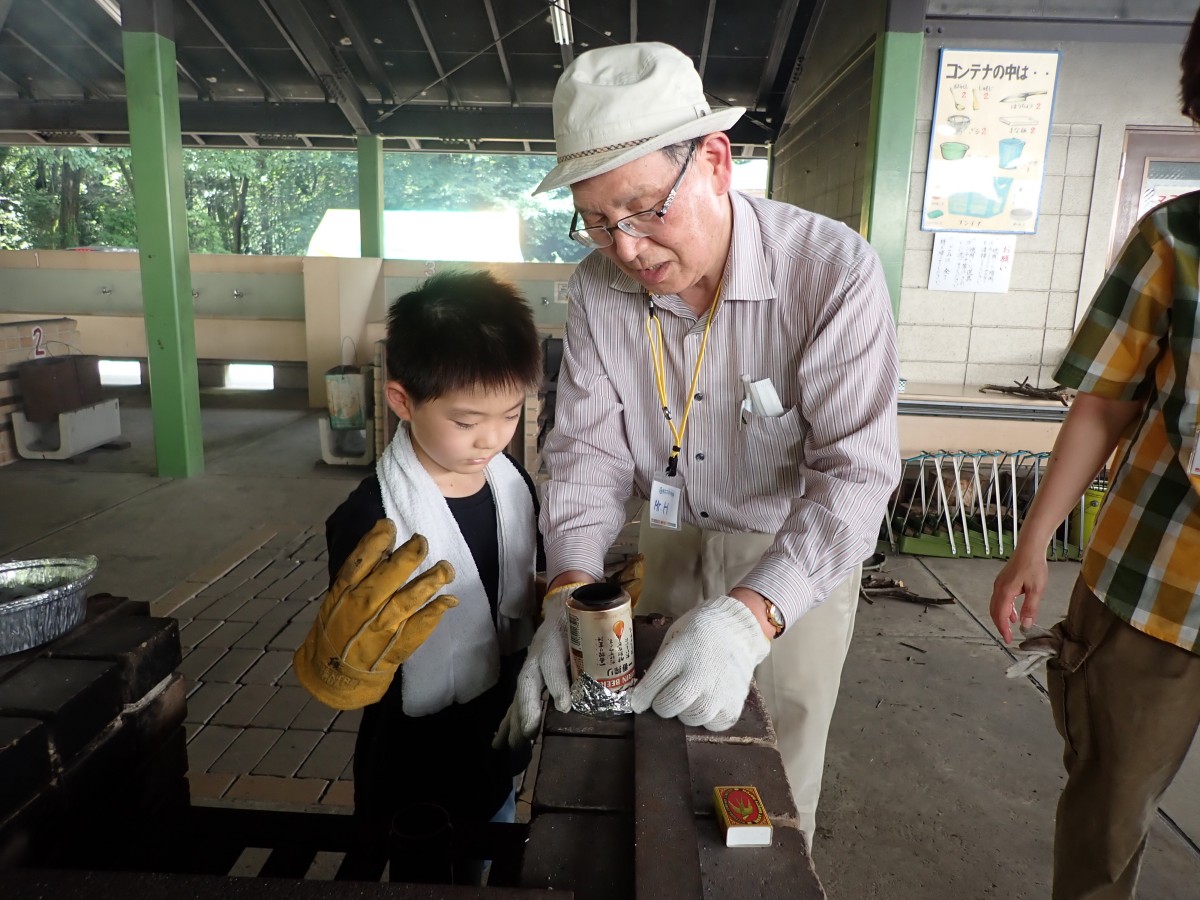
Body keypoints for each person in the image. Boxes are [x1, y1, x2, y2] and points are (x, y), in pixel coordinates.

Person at [494, 42, 900, 846]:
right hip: (669, 536)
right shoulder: (598, 290)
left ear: (714, 160)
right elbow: (585, 454)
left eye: (646, 209)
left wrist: (754, 617)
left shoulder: (831, 273)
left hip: (793, 555)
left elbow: (855, 475)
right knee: (654, 751)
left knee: (771, 781)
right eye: (600, 221)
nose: (629, 249)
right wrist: (567, 595)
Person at [990, 12, 1200, 898]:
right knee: (1106, 817)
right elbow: (1104, 404)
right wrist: (1034, 543)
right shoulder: (1175, 240)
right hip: (1152, 590)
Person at [293, 270, 543, 862]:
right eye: (465, 422)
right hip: (411, 769)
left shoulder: (514, 488)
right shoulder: (371, 519)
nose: (491, 440)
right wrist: (342, 672)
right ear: (402, 400)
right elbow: (353, 639)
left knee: (491, 844)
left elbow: (518, 590)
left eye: (508, 415)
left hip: (496, 742)